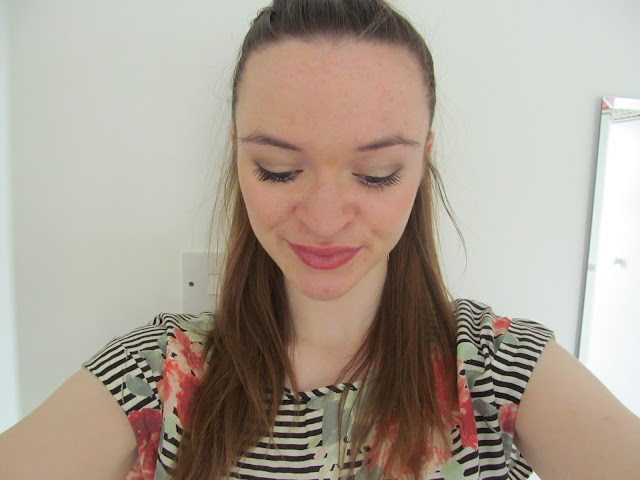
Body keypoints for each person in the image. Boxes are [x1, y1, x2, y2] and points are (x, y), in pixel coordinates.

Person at [1, 1, 639, 479]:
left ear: (422, 163)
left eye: (377, 173)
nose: (326, 219)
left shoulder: (501, 370)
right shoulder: (156, 375)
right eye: (277, 169)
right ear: (238, 158)